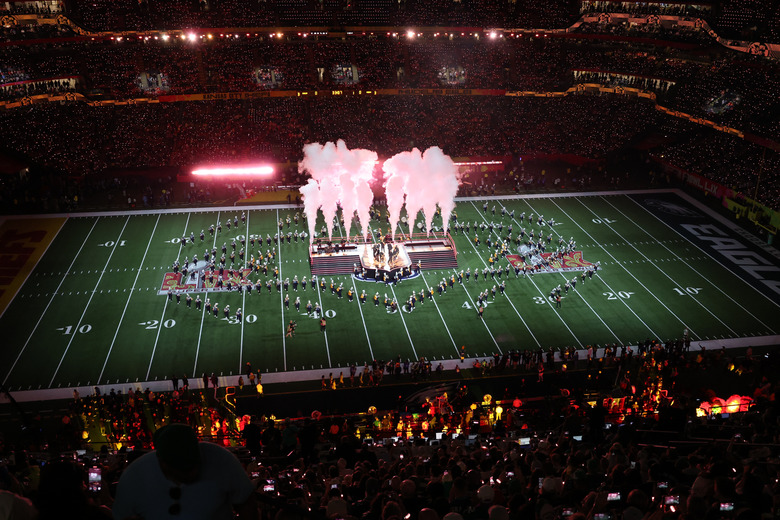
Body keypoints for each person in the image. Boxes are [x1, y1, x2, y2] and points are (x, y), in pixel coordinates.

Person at [112, 423, 258, 520]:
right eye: (183, 469)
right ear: (162, 462)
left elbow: (247, 503)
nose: (192, 474)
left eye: (194, 465)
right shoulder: (134, 477)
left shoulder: (222, 459)